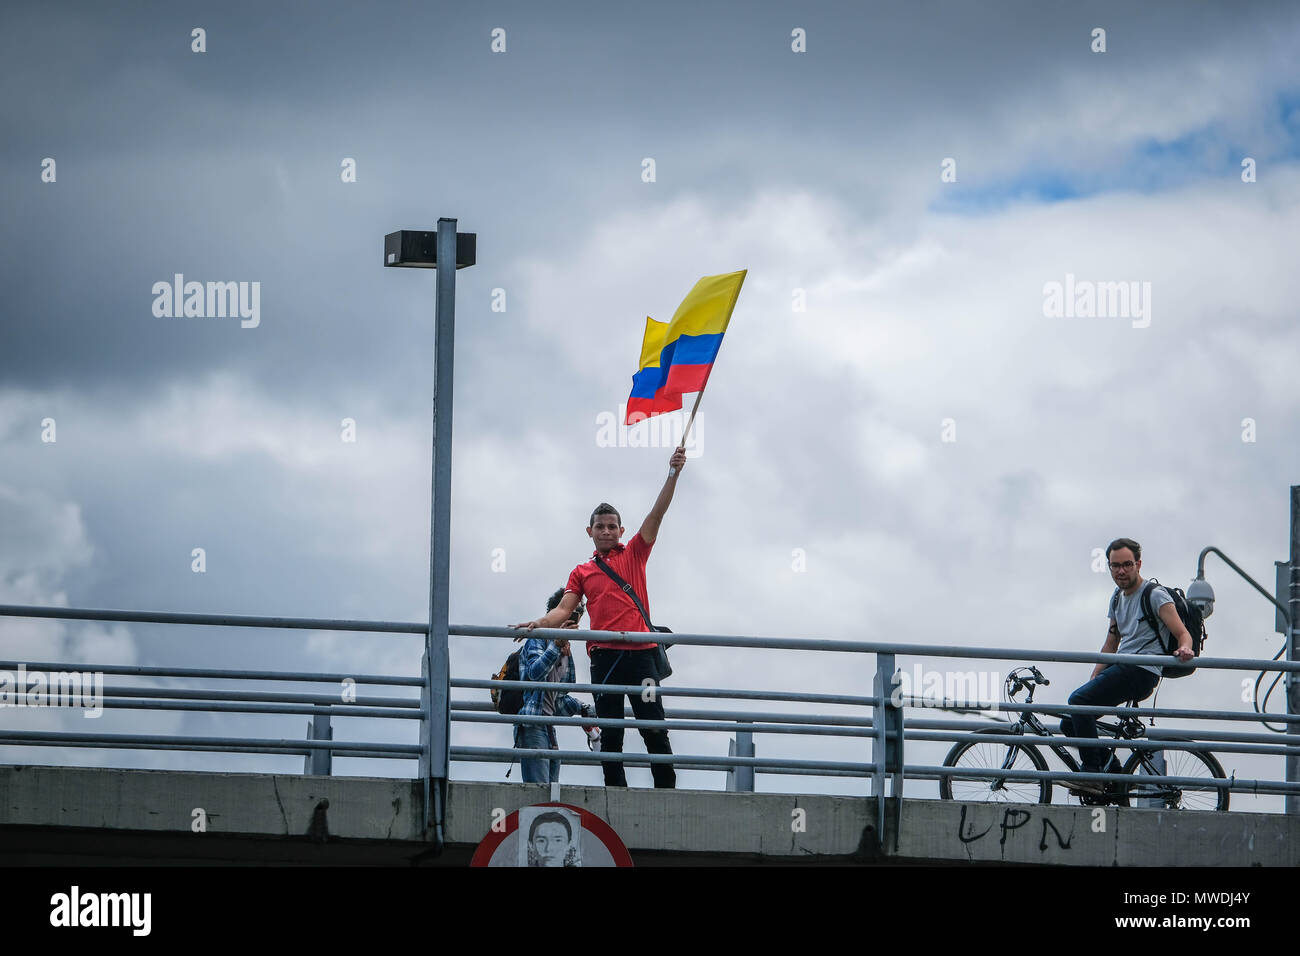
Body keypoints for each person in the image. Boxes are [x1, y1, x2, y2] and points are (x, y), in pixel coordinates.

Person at [514, 446, 687, 789]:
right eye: (600, 526)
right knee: (610, 732)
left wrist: (673, 472)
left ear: (622, 531)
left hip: (642, 657)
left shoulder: (635, 553)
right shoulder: (581, 571)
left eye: (612, 526)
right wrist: (539, 623)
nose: (606, 531)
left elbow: (657, 514)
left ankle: (667, 794)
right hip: (605, 657)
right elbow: (564, 610)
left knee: (654, 726)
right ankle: (616, 795)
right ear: (589, 531)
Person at [1061, 537, 1194, 795]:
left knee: (1079, 704)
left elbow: (1182, 632)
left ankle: (1092, 776)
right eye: (1115, 566)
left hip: (1141, 671)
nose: (1121, 571)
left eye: (1127, 564)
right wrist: (1094, 678)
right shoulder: (1117, 597)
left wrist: (1185, 647)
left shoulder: (1155, 595)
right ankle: (1116, 773)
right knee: (1071, 722)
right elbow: (1111, 644)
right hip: (1120, 667)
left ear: (1138, 564)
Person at [513, 588, 597, 785]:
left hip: (548, 725)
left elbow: (559, 695)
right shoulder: (538, 638)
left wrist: (583, 708)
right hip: (532, 722)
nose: (577, 618)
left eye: (580, 613)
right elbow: (534, 674)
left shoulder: (564, 646)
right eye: (574, 612)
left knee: (551, 790)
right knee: (539, 790)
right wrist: (555, 647)